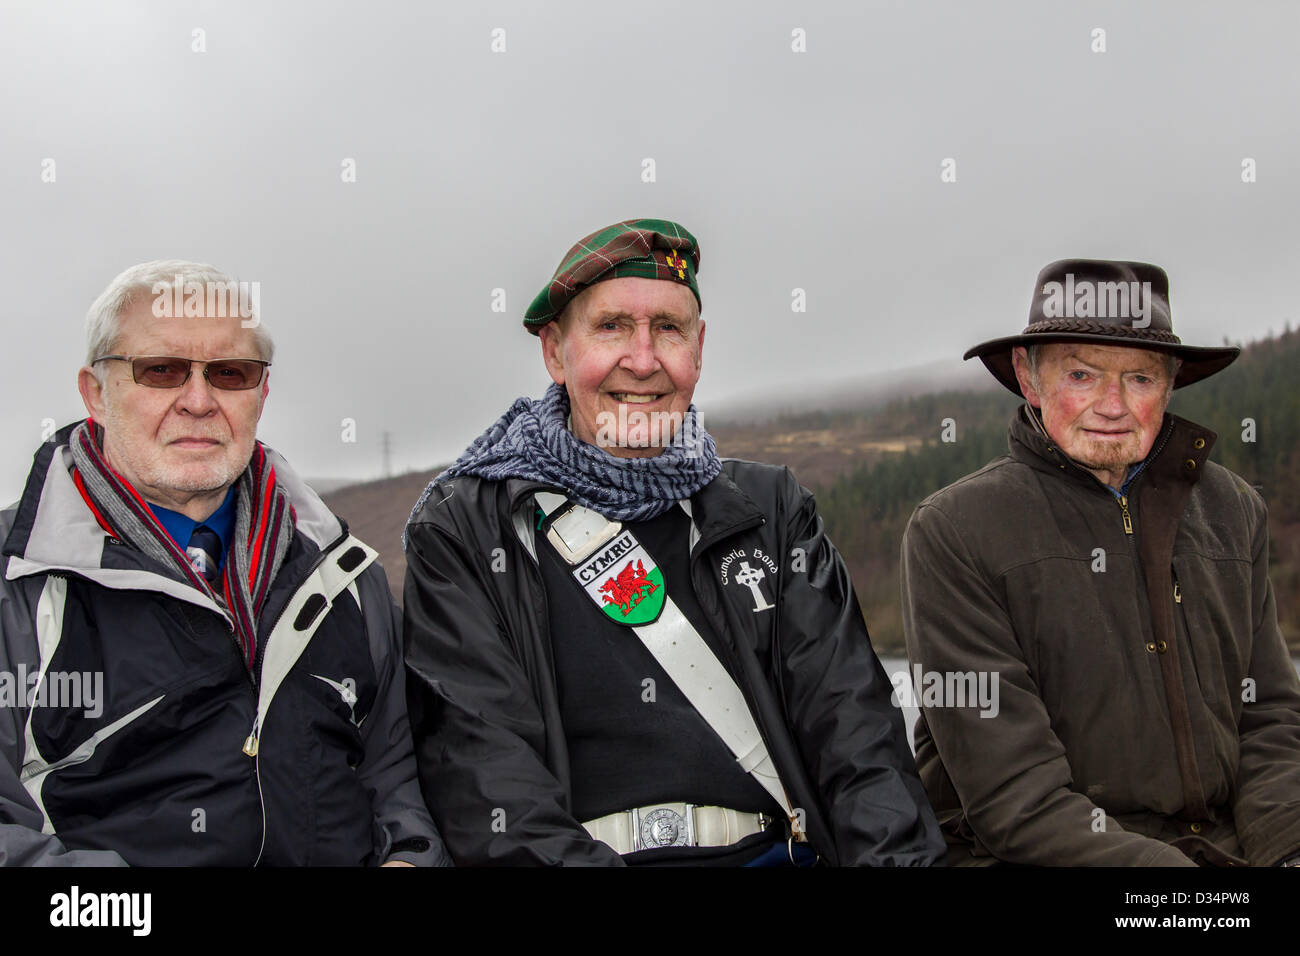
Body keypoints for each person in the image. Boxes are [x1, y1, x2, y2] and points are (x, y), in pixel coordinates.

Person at [403, 218, 943, 866]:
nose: (643, 359)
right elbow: (487, 782)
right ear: (555, 351)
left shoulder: (771, 510)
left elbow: (860, 746)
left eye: (668, 327)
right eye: (611, 327)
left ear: (699, 345)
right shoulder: (465, 529)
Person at [0, 260, 448, 866]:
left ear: (262, 394)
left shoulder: (343, 574)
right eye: (160, 370)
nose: (199, 400)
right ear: (95, 394)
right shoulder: (19, 577)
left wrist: (410, 860)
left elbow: (395, 774)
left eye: (230, 373)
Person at [901, 258, 1300, 866]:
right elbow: (1013, 798)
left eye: (1139, 379)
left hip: (1224, 856)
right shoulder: (955, 531)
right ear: (1029, 379)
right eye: (1082, 375)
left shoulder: (1233, 510)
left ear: (1169, 386)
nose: (1113, 406)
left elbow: (1269, 721)